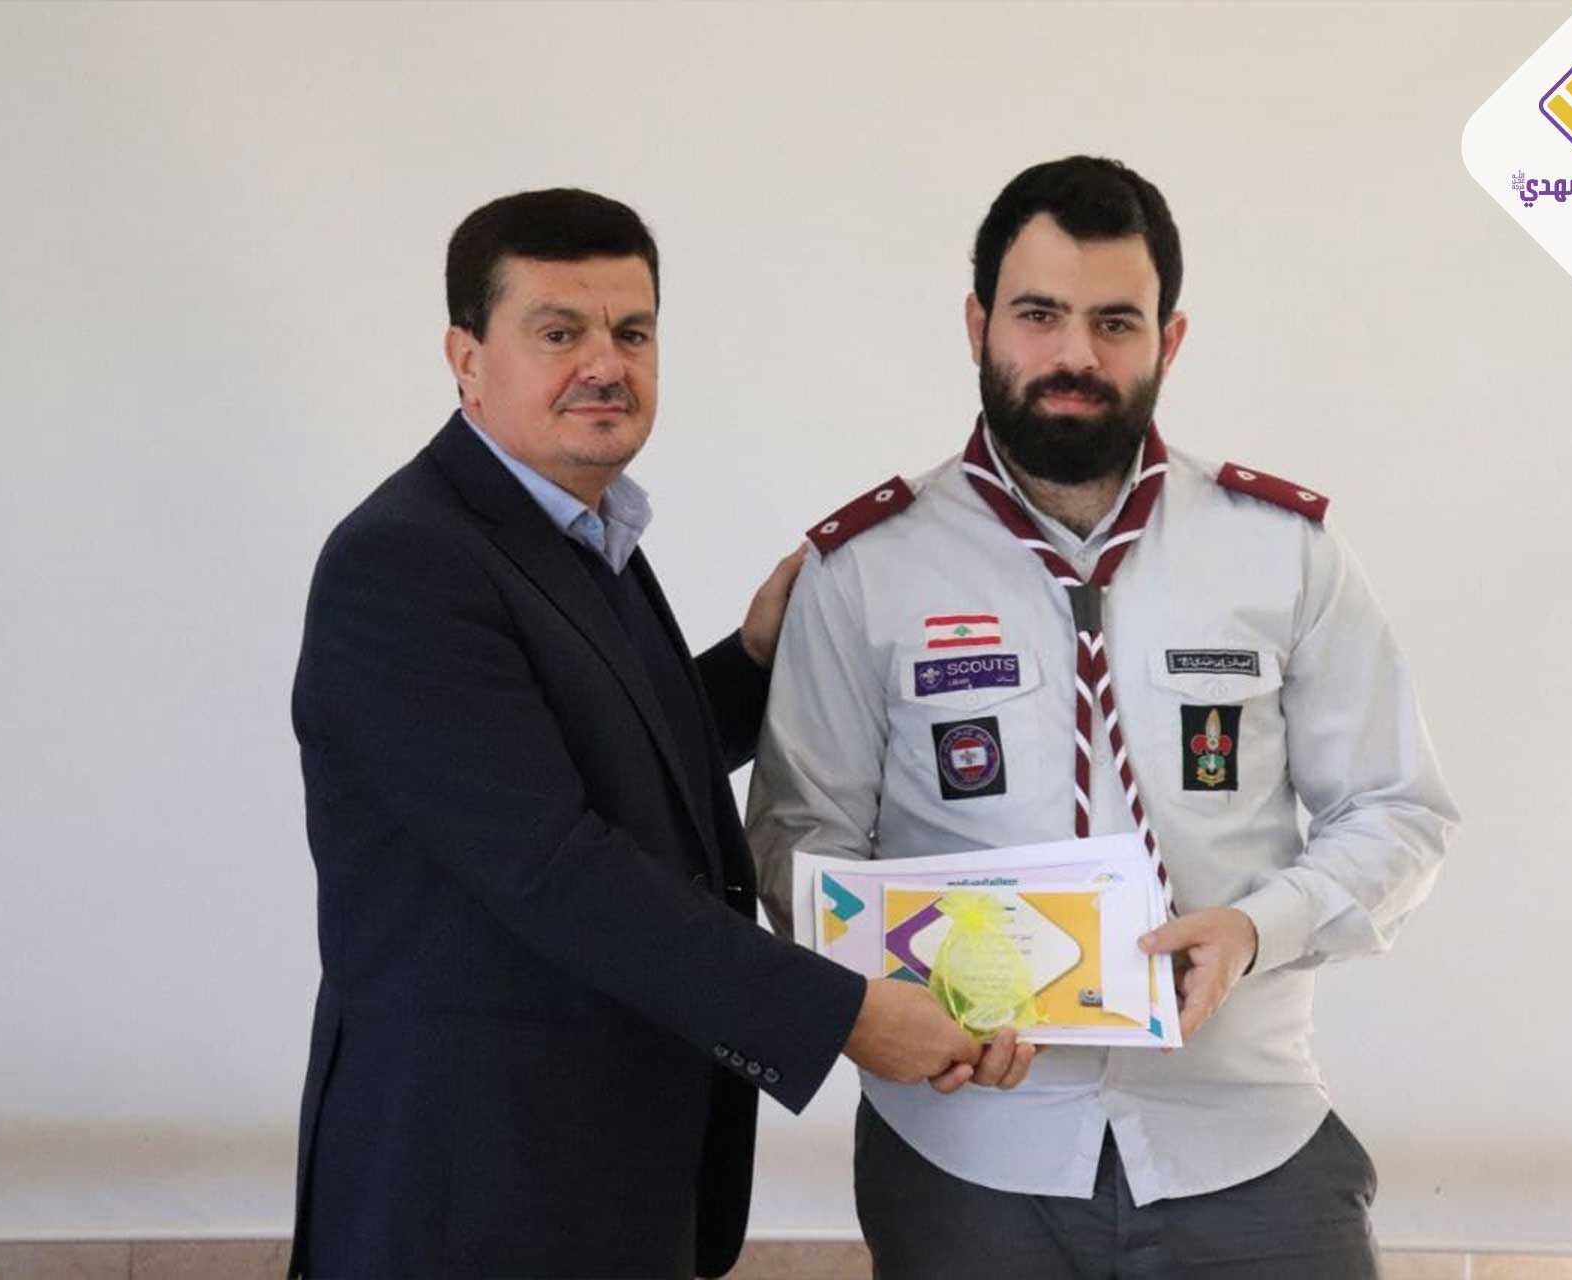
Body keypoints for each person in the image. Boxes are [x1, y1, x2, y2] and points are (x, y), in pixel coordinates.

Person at [747, 156, 1460, 1278]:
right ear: (979, 324)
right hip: (968, 1154)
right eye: (1039, 314)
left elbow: (1398, 812)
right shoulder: (867, 569)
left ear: (1169, 340)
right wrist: (883, 999)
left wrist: (1257, 929)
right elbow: (802, 840)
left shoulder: (1280, 550)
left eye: (1114, 322)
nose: (1075, 354)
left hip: (1247, 1140)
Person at [287, 187, 982, 1279]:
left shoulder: (579, 527)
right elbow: (554, 866)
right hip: (471, 1192)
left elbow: (603, 755)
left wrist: (753, 659)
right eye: (559, 332)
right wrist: (842, 1014)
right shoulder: (406, 561)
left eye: (633, 332)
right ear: (466, 359)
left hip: (598, 1168)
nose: (605, 365)